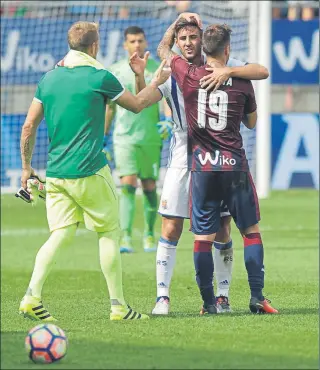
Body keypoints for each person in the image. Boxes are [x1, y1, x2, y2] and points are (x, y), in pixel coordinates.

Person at [18, 21, 171, 322]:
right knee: (108, 233)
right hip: (90, 170)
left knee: (59, 234)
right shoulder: (101, 76)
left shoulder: (48, 79)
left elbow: (28, 127)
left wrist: (26, 168)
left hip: (57, 173)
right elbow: (139, 104)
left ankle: (31, 296)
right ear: (94, 46)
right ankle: (118, 306)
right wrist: (156, 81)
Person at [132, 13, 270, 314]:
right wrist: (142, 77)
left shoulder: (219, 70)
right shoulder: (172, 74)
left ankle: (221, 296)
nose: (188, 42)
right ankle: (163, 297)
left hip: (207, 161)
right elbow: (141, 101)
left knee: (222, 228)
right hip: (184, 159)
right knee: (170, 228)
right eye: (182, 38)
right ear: (178, 43)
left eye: (193, 37)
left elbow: (255, 71)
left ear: (203, 40)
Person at [105, 26, 170, 254]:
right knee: (128, 184)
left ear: (146, 43)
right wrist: (103, 138)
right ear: (125, 45)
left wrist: (168, 120)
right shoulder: (114, 71)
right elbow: (109, 108)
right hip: (124, 137)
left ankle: (150, 235)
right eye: (132, 41)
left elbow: (166, 98)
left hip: (150, 137)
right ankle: (126, 237)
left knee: (150, 186)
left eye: (140, 41)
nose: (136, 45)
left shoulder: (157, 69)